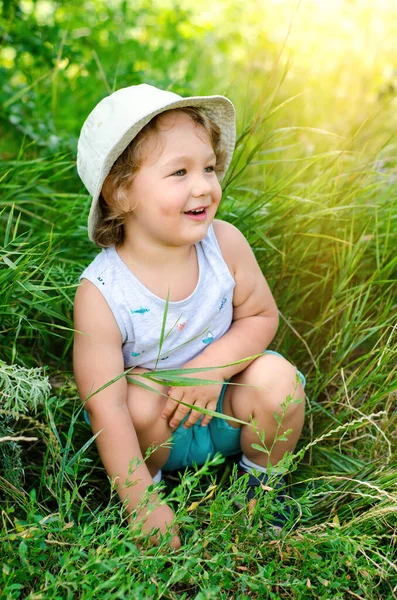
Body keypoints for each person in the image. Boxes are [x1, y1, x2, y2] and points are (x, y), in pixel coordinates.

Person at [74, 83, 306, 549]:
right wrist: (140, 503)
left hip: (229, 411)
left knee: (279, 381)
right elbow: (106, 403)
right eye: (179, 172)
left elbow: (261, 317)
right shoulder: (102, 293)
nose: (203, 185)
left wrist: (212, 367)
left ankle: (259, 483)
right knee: (134, 399)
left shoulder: (225, 245)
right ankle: (155, 496)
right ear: (120, 193)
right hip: (160, 430)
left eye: (208, 168)